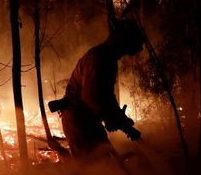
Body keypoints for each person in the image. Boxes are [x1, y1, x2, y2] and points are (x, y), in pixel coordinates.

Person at [53, 17, 144, 159]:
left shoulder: (108, 59)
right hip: (79, 122)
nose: (125, 53)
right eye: (127, 47)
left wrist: (120, 119)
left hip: (88, 121)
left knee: (104, 165)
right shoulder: (99, 58)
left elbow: (106, 95)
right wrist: (111, 119)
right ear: (119, 39)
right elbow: (91, 97)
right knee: (94, 169)